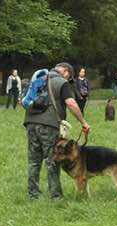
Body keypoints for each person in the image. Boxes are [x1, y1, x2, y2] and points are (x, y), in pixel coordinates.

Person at [24, 62, 91, 200]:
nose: (68, 80)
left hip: (30, 123)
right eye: (69, 77)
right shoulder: (62, 82)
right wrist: (83, 122)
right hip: (49, 126)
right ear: (66, 72)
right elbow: (71, 103)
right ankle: (56, 196)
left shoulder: (38, 78)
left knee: (33, 161)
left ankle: (33, 194)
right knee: (53, 160)